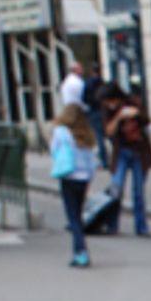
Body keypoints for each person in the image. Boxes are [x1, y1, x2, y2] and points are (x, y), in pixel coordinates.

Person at [99, 83, 151, 236]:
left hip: (138, 150)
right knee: (116, 189)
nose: (109, 104)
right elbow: (108, 131)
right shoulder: (107, 110)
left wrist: (136, 114)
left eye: (111, 101)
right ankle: (112, 224)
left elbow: (147, 120)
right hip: (121, 152)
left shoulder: (133, 102)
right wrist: (118, 117)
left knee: (138, 191)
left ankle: (141, 226)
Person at [50, 102, 97, 267]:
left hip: (68, 175)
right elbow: (92, 161)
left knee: (73, 217)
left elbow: (54, 151)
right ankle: (80, 249)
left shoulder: (61, 132)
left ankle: (80, 251)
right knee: (78, 213)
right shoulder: (86, 135)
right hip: (84, 178)